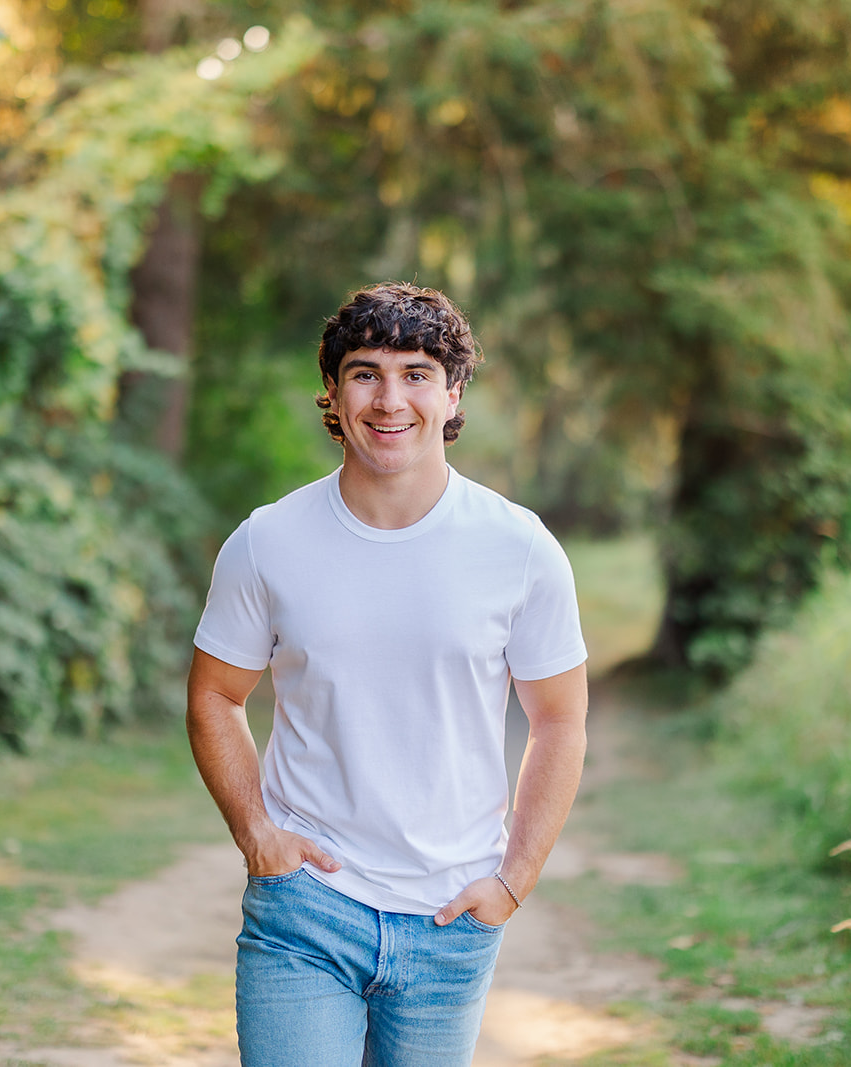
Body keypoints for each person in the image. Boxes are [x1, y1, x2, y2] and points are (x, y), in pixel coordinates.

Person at [186, 282, 589, 1066]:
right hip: (306, 912)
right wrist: (256, 831)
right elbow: (214, 696)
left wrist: (513, 881)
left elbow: (560, 720)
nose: (389, 398)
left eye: (416, 373)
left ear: (452, 392)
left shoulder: (520, 547)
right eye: (365, 373)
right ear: (333, 394)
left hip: (450, 920)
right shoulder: (267, 541)